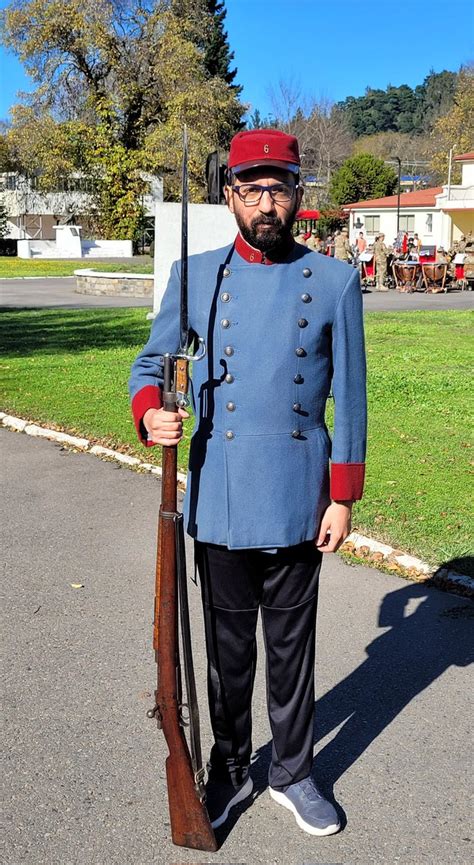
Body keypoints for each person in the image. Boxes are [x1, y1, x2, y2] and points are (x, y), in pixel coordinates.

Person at [129, 129, 367, 838]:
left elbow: (350, 398)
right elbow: (150, 367)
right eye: (252, 188)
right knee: (228, 653)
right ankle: (230, 769)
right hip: (223, 497)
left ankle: (293, 771)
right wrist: (153, 415)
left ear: (298, 193)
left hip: (298, 495)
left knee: (293, 650)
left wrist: (344, 496)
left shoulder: (334, 281)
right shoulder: (198, 276)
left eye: (280, 188)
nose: (267, 202)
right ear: (229, 194)